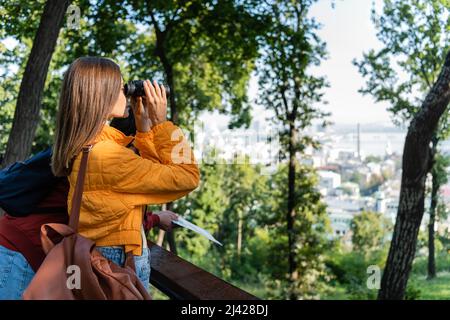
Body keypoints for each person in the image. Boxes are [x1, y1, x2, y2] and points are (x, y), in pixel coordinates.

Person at [0, 56, 199, 299]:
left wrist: (145, 129)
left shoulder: (91, 145)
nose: (126, 93)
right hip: (31, 252)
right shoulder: (106, 155)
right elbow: (187, 176)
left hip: (55, 252)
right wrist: (162, 124)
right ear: (102, 96)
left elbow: (133, 191)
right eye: (120, 87)